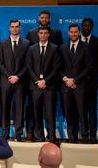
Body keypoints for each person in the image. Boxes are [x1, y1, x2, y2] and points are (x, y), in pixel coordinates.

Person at [25, 10, 63, 140]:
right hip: (35, 87)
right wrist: (37, 81)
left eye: (45, 33)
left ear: (49, 34)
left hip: (49, 86)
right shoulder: (31, 48)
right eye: (41, 33)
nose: (43, 35)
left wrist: (45, 81)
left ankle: (52, 137)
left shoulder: (55, 48)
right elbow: (29, 67)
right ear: (38, 34)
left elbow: (56, 68)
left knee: (50, 114)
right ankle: (39, 137)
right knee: (37, 114)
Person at [0, 19, 29, 141]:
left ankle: (18, 134)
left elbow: (27, 64)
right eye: (12, 26)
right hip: (5, 81)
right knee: (5, 108)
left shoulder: (26, 43)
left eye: (16, 26)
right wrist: (9, 76)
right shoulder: (2, 43)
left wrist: (18, 76)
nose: (14, 28)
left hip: (20, 82)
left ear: (19, 28)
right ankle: (4, 134)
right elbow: (0, 62)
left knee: (19, 108)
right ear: (9, 28)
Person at [59, 24, 92, 143]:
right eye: (71, 32)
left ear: (79, 33)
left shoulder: (86, 47)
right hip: (66, 86)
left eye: (76, 32)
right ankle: (71, 138)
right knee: (68, 114)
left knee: (82, 114)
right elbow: (58, 67)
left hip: (80, 86)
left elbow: (88, 67)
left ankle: (84, 138)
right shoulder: (62, 48)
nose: (73, 34)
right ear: (68, 33)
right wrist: (66, 79)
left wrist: (75, 80)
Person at [81, 18, 98, 144]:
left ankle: (93, 135)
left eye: (89, 25)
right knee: (81, 110)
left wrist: (88, 75)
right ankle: (84, 135)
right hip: (78, 83)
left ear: (92, 27)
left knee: (92, 110)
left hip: (91, 82)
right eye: (84, 25)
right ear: (82, 26)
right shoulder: (76, 41)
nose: (87, 27)